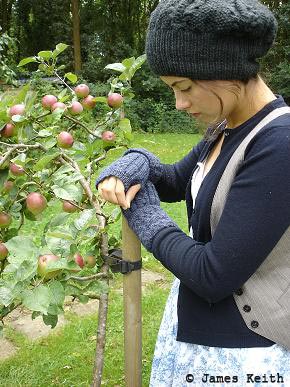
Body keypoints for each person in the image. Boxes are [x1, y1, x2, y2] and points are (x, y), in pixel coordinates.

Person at [96, 0, 290, 385]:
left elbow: (212, 273)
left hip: (244, 353)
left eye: (184, 87)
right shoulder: (227, 127)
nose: (179, 103)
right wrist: (136, 161)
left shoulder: (278, 145)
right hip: (204, 329)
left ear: (227, 72)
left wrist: (145, 218)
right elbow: (172, 180)